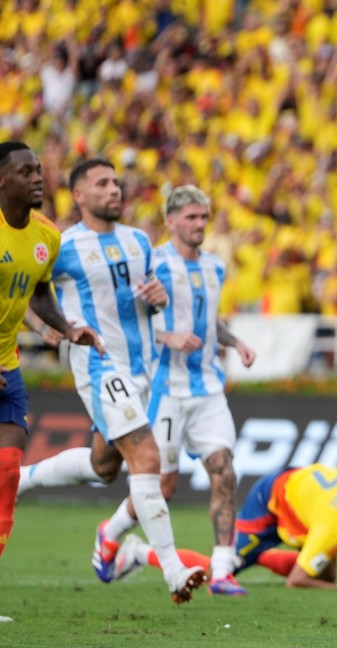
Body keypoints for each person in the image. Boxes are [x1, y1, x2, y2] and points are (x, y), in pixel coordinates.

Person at [27, 158, 207, 604]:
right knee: (147, 459)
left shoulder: (139, 241)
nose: (114, 189)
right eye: (102, 183)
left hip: (143, 369)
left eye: (116, 182)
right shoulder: (62, 245)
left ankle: (24, 477)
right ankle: (171, 571)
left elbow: (146, 299)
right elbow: (25, 289)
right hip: (100, 366)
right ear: (80, 196)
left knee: (105, 468)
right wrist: (39, 326)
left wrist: (158, 299)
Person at [0, 141, 102, 622]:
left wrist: (68, 329)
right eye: (25, 171)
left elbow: (39, 292)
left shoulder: (46, 236)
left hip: (7, 367)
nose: (38, 178)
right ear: (3, 181)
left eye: (39, 170)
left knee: (7, 472)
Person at [148, 185, 257, 595]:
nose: (199, 225)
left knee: (224, 472)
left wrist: (237, 342)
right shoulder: (153, 263)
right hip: (167, 388)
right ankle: (115, 537)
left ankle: (223, 568)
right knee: (162, 488)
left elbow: (211, 322)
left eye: (203, 218)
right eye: (191, 218)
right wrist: (168, 337)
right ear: (171, 221)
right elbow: (130, 324)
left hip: (208, 387)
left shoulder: (214, 266)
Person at [115, 465, 337, 592]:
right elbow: (296, 582)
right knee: (215, 574)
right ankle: (139, 552)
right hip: (271, 501)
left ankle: (256, 555)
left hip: (305, 498)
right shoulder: (334, 524)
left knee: (324, 574)